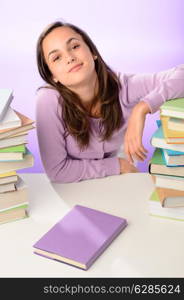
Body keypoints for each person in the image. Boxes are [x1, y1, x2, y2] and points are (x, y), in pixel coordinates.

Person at [35, 21, 184, 183]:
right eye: (57, 58)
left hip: (115, 180)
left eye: (75, 46)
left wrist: (143, 107)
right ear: (52, 77)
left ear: (93, 52)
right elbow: (57, 171)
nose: (70, 58)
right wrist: (117, 165)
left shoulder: (124, 86)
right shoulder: (48, 100)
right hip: (74, 185)